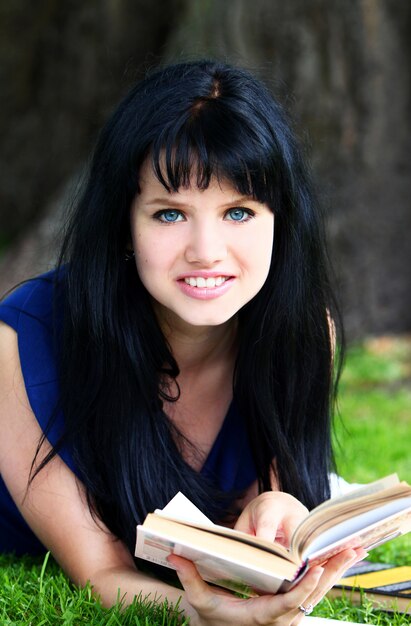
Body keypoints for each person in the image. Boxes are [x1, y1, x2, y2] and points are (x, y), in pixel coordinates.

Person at [0, 60, 364, 625]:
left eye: (238, 211)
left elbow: (264, 509)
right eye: (170, 213)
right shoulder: (23, 341)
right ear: (125, 225)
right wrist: (207, 616)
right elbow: (102, 573)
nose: (206, 251)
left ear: (280, 222)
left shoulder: (303, 334)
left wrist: (277, 506)